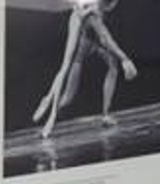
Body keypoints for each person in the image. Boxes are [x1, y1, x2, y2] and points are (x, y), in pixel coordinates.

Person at [33, 0, 137, 140]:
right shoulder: (93, 15)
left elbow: (104, 38)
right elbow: (106, 38)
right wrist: (125, 59)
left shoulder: (96, 9)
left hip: (95, 43)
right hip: (82, 50)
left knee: (113, 65)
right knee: (67, 98)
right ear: (109, 5)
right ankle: (50, 115)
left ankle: (105, 114)